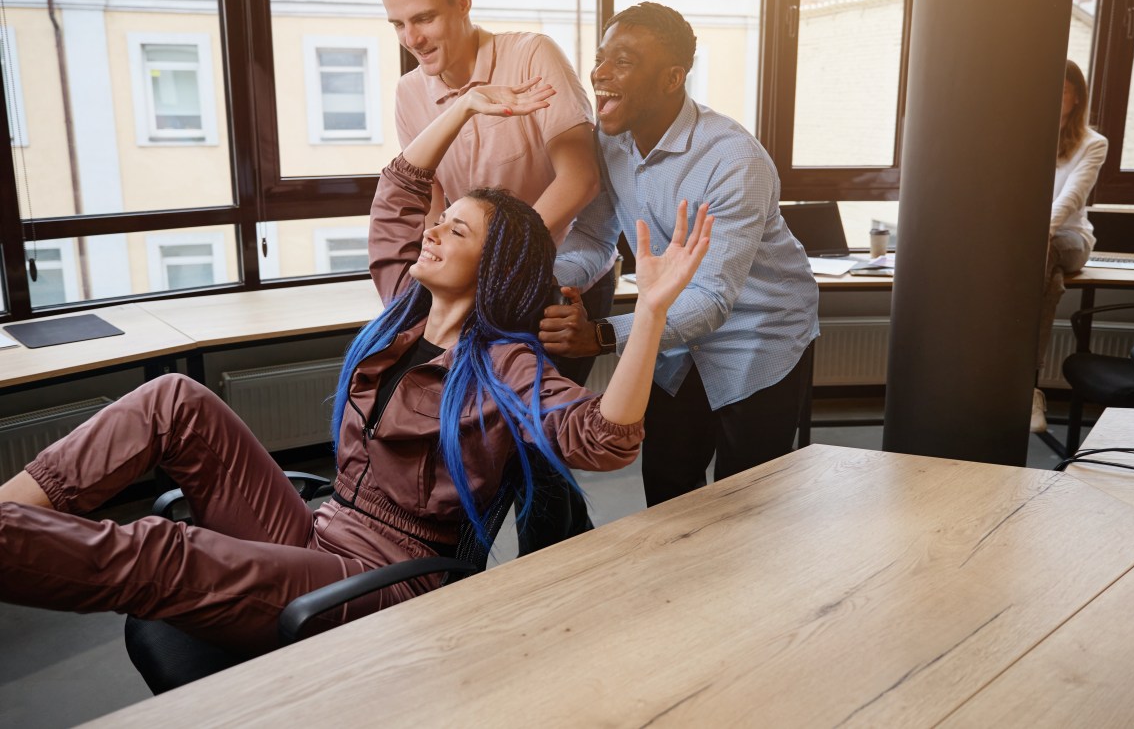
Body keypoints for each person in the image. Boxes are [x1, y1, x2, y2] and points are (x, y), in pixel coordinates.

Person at [0, 78, 712, 655]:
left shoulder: (506, 366)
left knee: (164, 551)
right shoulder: (404, 306)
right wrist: (464, 106)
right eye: (441, 221)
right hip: (319, 528)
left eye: (455, 229)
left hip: (384, 576)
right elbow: (401, 190)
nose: (433, 231)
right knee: (174, 400)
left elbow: (605, 437)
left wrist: (647, 314)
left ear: (491, 266)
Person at [379, 0, 612, 549]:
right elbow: (428, 203)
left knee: (534, 446)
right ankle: (558, 555)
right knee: (483, 440)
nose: (414, 37)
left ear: (462, 3)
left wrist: (503, 259)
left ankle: (552, 570)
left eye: (425, 18)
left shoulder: (531, 54)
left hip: (556, 279)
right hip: (476, 282)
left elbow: (581, 178)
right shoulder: (410, 95)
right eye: (399, 24)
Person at [539, 2, 820, 507]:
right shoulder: (611, 143)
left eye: (622, 61)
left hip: (759, 332)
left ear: (672, 78)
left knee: (749, 502)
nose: (599, 74)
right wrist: (551, 283)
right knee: (668, 490)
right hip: (672, 333)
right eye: (600, 58)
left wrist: (601, 334)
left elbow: (712, 300)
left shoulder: (733, 159)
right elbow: (594, 238)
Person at [1031, 60, 1109, 433]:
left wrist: (1036, 233)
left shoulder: (1093, 144)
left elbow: (1071, 198)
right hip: (1032, 246)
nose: (1053, 99)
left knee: (1041, 254)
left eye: (1061, 91)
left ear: (1076, 97)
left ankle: (1027, 386)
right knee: (1047, 277)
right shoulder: (1027, 136)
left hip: (1071, 239)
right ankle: (1026, 390)